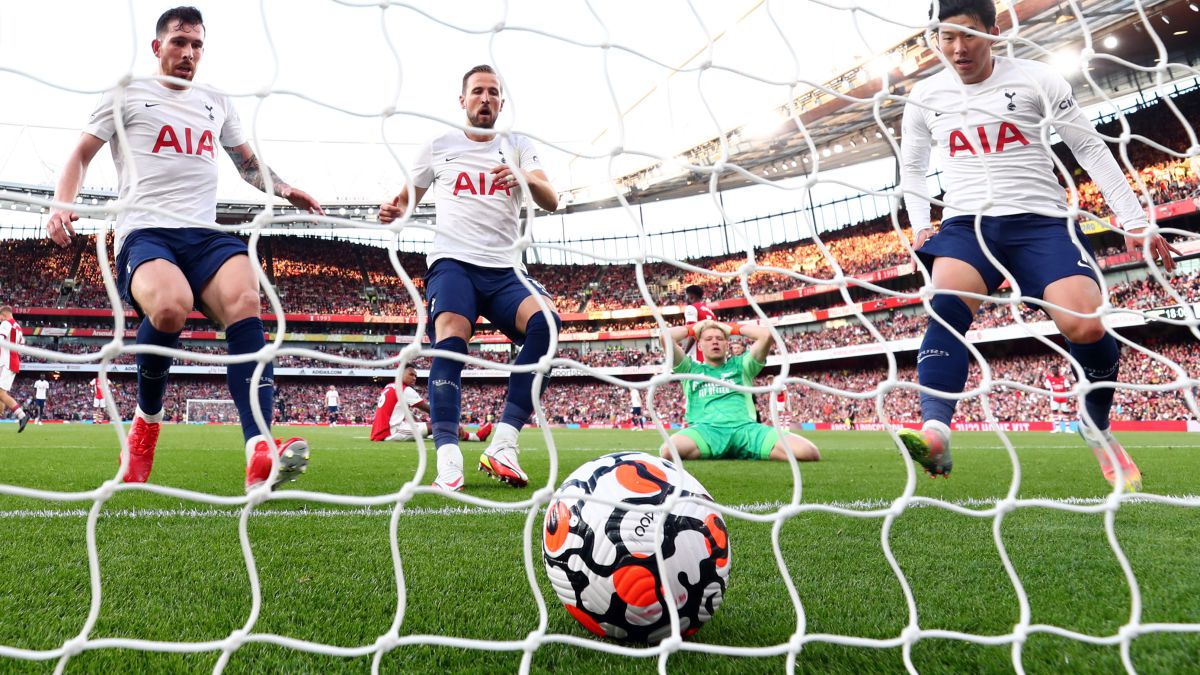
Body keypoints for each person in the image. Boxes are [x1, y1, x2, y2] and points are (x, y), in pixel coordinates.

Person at [897, 0, 1178, 491]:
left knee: (1084, 324)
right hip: (968, 224)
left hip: (1041, 223)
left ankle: (1096, 423)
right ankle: (936, 430)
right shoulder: (924, 96)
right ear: (933, 39)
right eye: (946, 37)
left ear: (994, 30)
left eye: (968, 34)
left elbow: (1089, 147)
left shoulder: (1036, 79)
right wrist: (921, 223)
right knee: (946, 305)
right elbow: (914, 167)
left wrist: (1134, 220)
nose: (958, 48)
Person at [45, 7, 324, 490]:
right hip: (146, 232)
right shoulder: (127, 92)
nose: (189, 53)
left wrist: (283, 188)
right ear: (158, 48)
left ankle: (258, 449)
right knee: (172, 308)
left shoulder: (216, 101)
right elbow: (80, 154)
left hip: (205, 234)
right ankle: (146, 424)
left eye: (197, 45)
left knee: (247, 301)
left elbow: (248, 164)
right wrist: (61, 205)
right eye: (179, 42)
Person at [379, 64, 559, 492]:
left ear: (502, 102)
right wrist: (392, 212)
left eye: (493, 92)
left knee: (547, 325)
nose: (485, 98)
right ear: (462, 100)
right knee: (452, 338)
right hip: (453, 263)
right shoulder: (439, 144)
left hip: (505, 269)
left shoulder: (518, 146)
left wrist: (521, 177)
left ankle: (504, 443)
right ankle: (447, 453)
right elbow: (406, 199)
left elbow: (551, 200)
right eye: (477, 91)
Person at [659, 320, 820, 463]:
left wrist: (732, 328)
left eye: (720, 338)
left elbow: (766, 335)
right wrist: (693, 328)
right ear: (700, 346)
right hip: (706, 431)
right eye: (708, 339)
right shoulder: (690, 369)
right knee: (668, 451)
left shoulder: (741, 365)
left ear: (727, 344)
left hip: (746, 430)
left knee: (808, 452)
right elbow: (665, 337)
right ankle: (733, 451)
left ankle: (737, 450)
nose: (714, 342)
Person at [370, 366, 493, 443]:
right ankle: (475, 437)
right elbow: (430, 410)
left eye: (415, 376)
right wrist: (451, 423)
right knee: (440, 425)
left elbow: (402, 411)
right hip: (390, 432)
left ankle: (440, 434)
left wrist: (417, 420)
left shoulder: (390, 386)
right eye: (411, 374)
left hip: (382, 430)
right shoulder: (404, 389)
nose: (414, 378)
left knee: (433, 428)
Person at [0, 306, 29, 433]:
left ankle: (22, 415)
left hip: (6, 362)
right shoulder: (18, 327)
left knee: (1, 393)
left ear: (4, 315)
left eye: (0, 317)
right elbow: (22, 348)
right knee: (1, 393)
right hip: (13, 362)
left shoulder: (6, 324)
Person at [681, 284, 716, 363]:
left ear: (691, 297)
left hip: (698, 354)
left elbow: (693, 333)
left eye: (686, 296)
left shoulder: (691, 308)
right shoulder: (710, 311)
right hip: (710, 353)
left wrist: (684, 353)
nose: (685, 299)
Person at [1045, 365, 1072, 433]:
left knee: (1065, 412)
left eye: (1054, 369)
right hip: (1054, 398)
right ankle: (1057, 428)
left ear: (1058, 370)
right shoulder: (1049, 379)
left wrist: (1069, 398)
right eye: (1052, 370)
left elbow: (1068, 388)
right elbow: (1047, 389)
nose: (1053, 371)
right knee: (1054, 412)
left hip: (1064, 398)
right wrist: (1048, 399)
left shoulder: (1063, 379)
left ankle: (1067, 428)